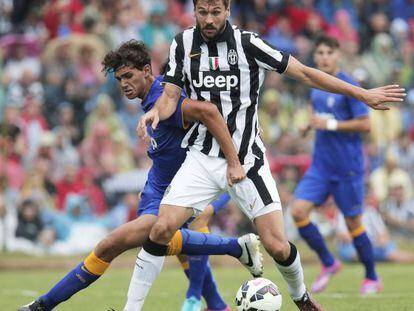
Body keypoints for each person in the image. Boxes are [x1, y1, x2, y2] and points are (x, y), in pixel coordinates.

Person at [135, 1, 405, 310]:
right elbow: (170, 95)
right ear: (195, 10)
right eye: (202, 12)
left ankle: (302, 296)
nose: (208, 19)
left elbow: (304, 73)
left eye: (215, 12)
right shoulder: (182, 43)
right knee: (160, 229)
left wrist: (362, 93)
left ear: (228, 9)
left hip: (247, 158)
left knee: (277, 245)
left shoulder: (249, 44)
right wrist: (155, 113)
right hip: (201, 156)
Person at [18, 40, 262, 311]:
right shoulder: (148, 101)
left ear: (147, 71)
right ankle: (219, 299)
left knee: (112, 243)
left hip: (178, 192)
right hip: (155, 188)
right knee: (170, 245)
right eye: (119, 78)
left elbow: (209, 113)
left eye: (129, 75)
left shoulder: (167, 98)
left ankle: (41, 306)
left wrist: (233, 161)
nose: (123, 83)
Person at [290, 35, 380, 295]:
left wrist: (329, 125)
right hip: (321, 166)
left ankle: (372, 277)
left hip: (347, 168)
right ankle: (329, 263)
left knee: (353, 224)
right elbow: (317, 114)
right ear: (315, 57)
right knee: (298, 212)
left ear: (338, 55)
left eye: (329, 52)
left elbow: (366, 124)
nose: (325, 57)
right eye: (320, 53)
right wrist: (309, 125)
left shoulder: (348, 86)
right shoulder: (316, 85)